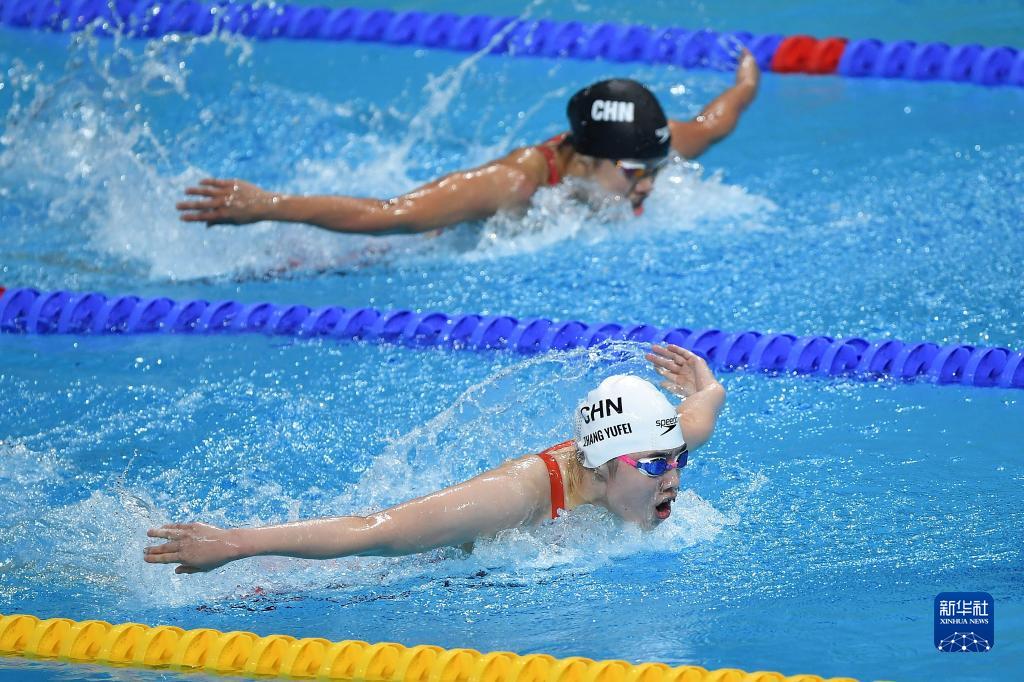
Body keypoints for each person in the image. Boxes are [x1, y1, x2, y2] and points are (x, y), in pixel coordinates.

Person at [144, 344, 726, 574]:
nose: (673, 477)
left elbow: (697, 417)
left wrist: (710, 388)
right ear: (600, 467)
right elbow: (378, 530)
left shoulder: (646, 451)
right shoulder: (516, 496)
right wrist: (236, 544)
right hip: (394, 566)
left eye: (677, 459)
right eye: (656, 465)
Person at [175, 52, 760, 233]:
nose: (651, 183)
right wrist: (269, 205)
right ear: (588, 158)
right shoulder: (513, 183)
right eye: (637, 172)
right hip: (421, 240)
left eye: (656, 167)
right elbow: (387, 214)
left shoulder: (641, 149)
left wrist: (747, 81)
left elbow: (713, 123)